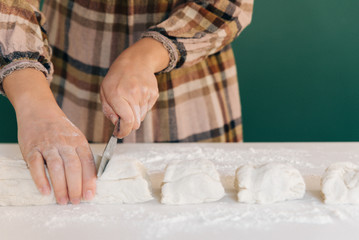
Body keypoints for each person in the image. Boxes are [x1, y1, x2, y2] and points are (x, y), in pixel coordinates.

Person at [0, 0, 254, 205]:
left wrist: (146, 57)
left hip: (192, 88)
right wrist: (34, 102)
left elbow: (229, 4)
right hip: (72, 78)